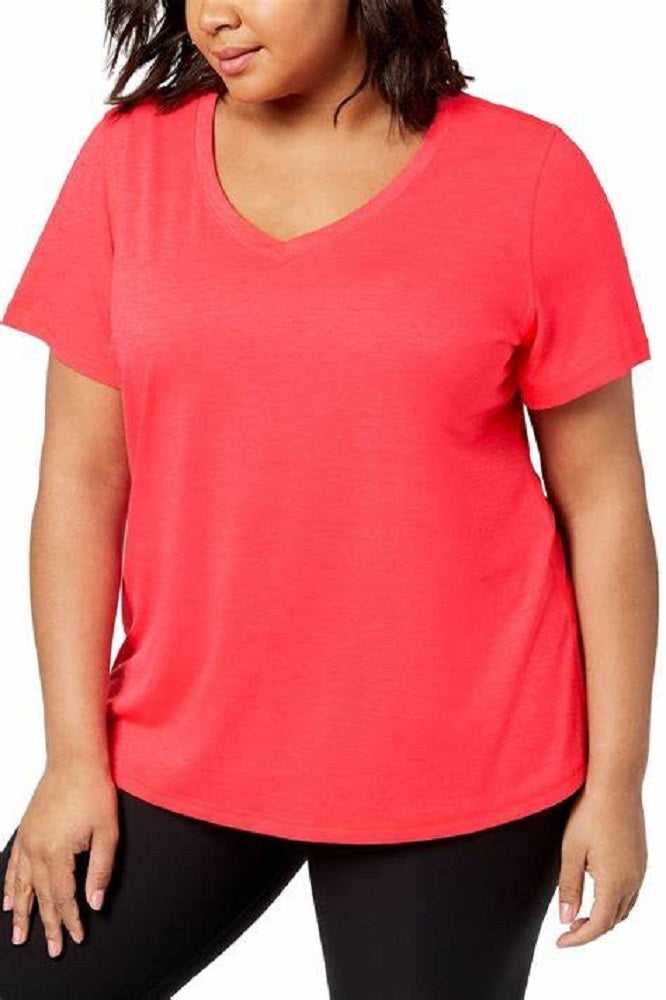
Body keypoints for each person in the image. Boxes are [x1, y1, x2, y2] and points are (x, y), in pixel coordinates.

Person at [0, 1, 657, 998]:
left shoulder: (530, 175)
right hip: (183, 741)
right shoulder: (127, 163)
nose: (213, 15)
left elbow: (604, 500)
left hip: (463, 763)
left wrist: (618, 782)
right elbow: (80, 482)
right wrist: (71, 759)